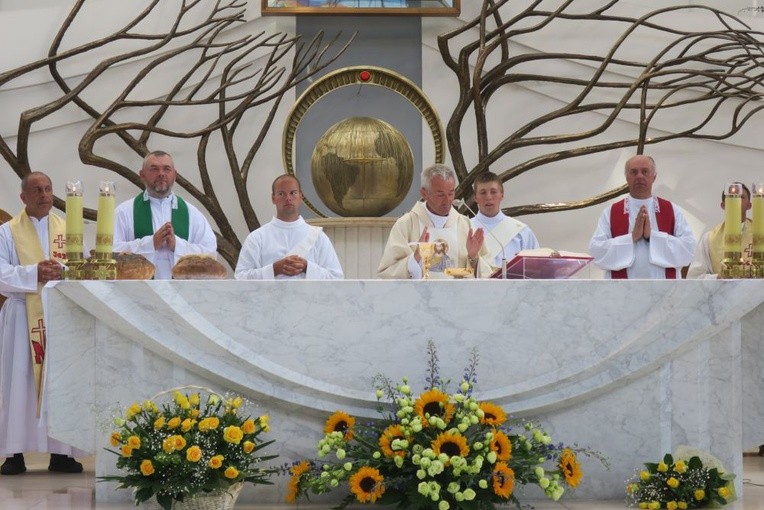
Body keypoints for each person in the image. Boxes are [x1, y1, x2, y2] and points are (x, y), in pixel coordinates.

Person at [0, 172, 85, 475]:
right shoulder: (7, 232)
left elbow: (83, 267)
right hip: (22, 315)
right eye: (36, 190)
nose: (44, 195)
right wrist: (33, 273)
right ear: (23, 197)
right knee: (18, 382)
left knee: (60, 384)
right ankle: (14, 454)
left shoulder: (69, 230)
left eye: (48, 189)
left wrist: (62, 271)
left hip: (60, 314)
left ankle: (62, 453)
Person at [113, 151, 217, 279]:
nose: (161, 174)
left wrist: (177, 245)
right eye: (154, 169)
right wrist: (150, 243)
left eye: (167, 169)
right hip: (138, 294)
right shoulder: (124, 212)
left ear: (175, 175)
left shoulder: (192, 213)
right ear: (142, 175)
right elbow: (110, 252)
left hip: (182, 293)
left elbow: (210, 253)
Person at [589, 155, 696, 279]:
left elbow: (688, 249)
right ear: (627, 178)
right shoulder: (610, 212)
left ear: (654, 177)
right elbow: (596, 252)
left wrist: (652, 236)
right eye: (633, 172)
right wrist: (632, 237)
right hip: (621, 293)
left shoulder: (672, 210)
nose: (639, 176)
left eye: (645, 171)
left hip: (665, 293)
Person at [377, 164, 491, 279]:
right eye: (440, 195)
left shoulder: (465, 225)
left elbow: (489, 275)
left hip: (457, 295)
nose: (447, 200)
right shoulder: (406, 224)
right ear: (424, 193)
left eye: (451, 193)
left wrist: (473, 257)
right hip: (419, 296)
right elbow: (387, 272)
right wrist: (415, 258)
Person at [234, 174, 343, 280]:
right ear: (273, 198)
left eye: (293, 193)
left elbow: (336, 277)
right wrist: (274, 269)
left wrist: (306, 267)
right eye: (281, 194)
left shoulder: (318, 237)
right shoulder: (257, 238)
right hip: (269, 298)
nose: (288, 198)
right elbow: (240, 277)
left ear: (300, 197)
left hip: (308, 298)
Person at [471, 172, 540, 267]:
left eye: (493, 192)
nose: (488, 197)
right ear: (475, 197)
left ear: (502, 195)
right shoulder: (466, 227)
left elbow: (536, 267)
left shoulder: (521, 231)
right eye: (483, 193)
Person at [687, 183, 752, 279]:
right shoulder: (709, 239)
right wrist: (717, 278)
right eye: (731, 197)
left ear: (749, 205)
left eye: (741, 197)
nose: (736, 201)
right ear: (723, 205)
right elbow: (694, 277)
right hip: (722, 293)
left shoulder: (760, 235)